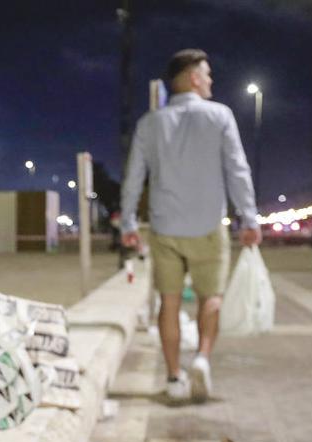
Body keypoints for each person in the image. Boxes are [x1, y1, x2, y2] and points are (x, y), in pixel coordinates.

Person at [119, 49, 261, 402]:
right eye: (207, 74)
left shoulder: (150, 123)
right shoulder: (220, 117)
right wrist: (249, 217)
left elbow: (134, 177)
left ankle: (172, 378)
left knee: (168, 303)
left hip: (166, 229)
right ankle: (201, 359)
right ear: (193, 77)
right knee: (210, 299)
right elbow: (237, 171)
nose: (211, 80)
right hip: (208, 227)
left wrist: (128, 222)